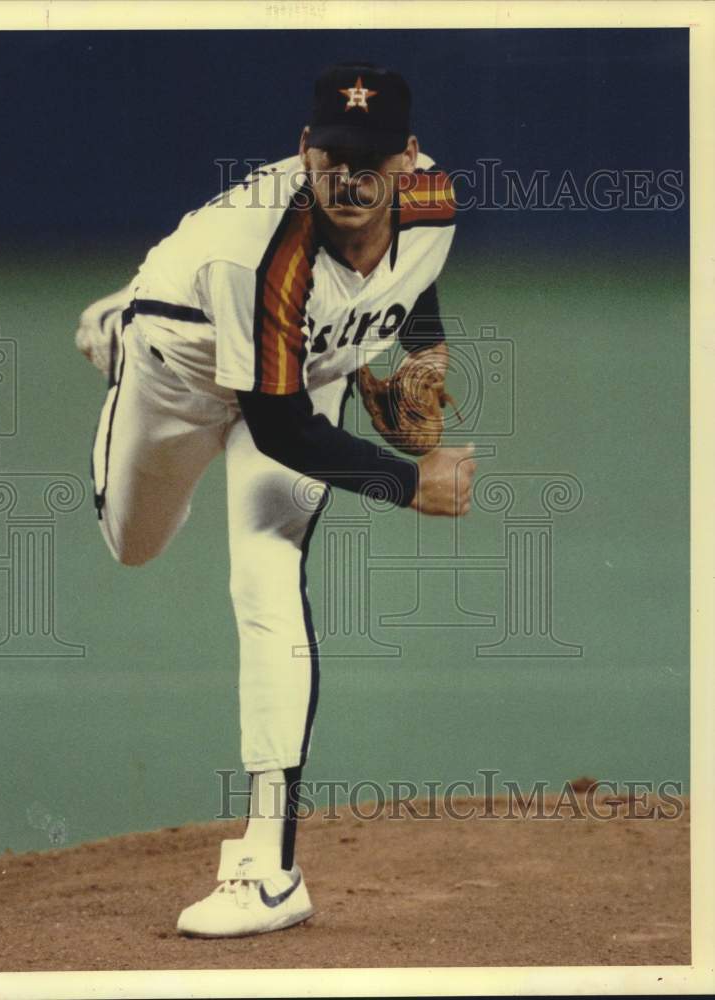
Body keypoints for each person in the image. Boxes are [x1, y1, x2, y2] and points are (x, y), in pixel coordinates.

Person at [75, 63, 476, 938]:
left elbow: (415, 283)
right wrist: (410, 483)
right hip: (181, 368)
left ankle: (269, 870)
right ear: (305, 152)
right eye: (333, 154)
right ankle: (121, 322)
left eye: (372, 156)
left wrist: (420, 362)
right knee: (133, 542)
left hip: (297, 368)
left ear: (408, 161)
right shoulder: (258, 249)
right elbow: (286, 427)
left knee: (264, 574)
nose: (352, 175)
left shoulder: (435, 201)